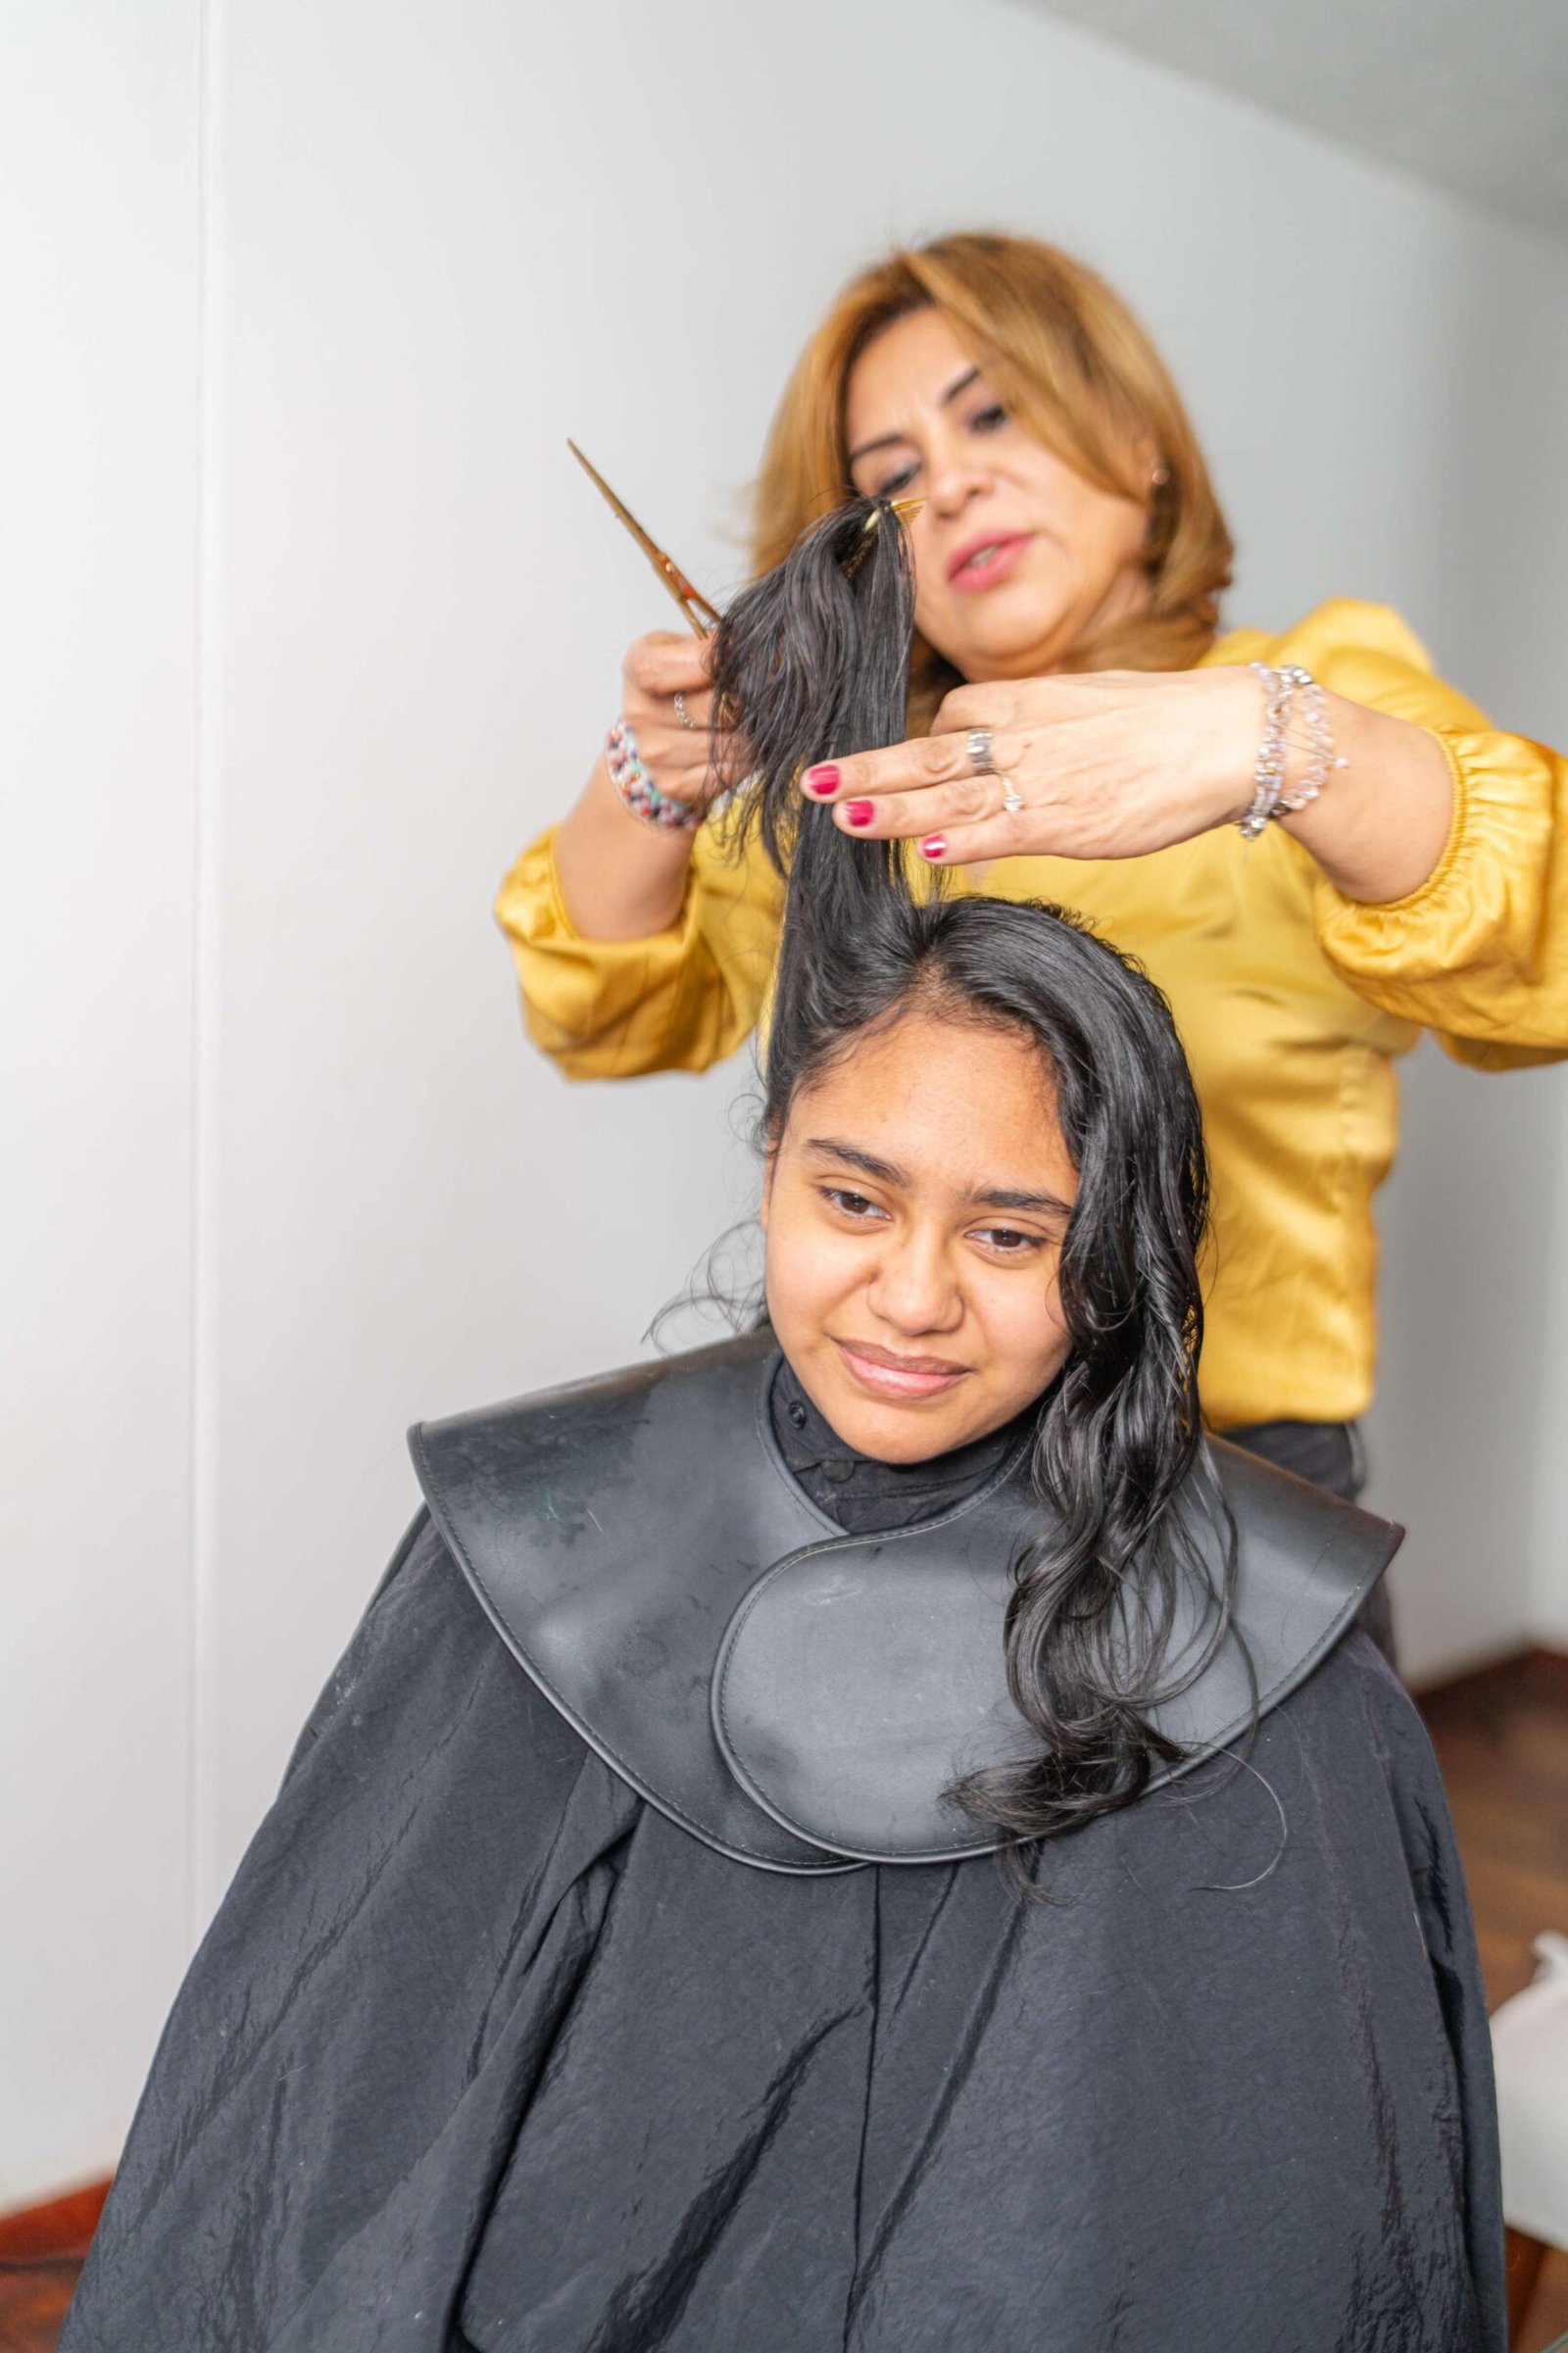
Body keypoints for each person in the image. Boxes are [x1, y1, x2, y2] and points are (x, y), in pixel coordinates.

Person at [64, 498, 1501, 2353]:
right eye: (851, 1199)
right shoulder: (536, 1544)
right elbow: (318, 2158)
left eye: (1013, 1233)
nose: (911, 1294)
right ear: (769, 1169)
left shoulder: (1276, 1661)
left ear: (1121, 1251)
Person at [498, 231, 1568, 1586]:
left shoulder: (1310, 695)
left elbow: (1549, 940)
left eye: (992, 414)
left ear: (1137, 442)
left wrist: (1267, 748)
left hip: (1222, 1490)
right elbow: (600, 1015)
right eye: (891, 478)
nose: (951, 487)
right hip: (883, 1465)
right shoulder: (852, 779)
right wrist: (654, 774)